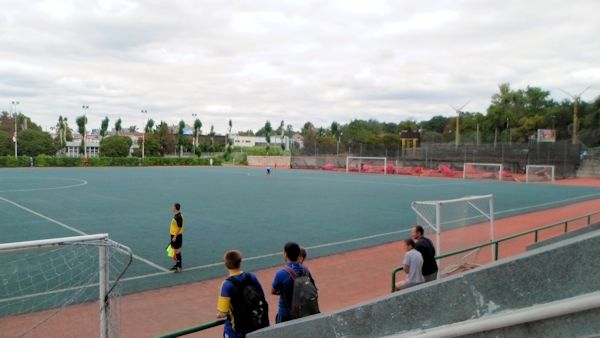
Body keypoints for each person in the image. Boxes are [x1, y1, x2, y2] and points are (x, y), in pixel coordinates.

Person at [217, 250, 268, 338]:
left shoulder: (226, 285)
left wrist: (218, 315)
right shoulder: (251, 276)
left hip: (237, 331)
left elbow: (223, 313)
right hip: (255, 324)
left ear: (226, 264)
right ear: (240, 262)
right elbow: (261, 296)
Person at [271, 242, 316, 323]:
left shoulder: (281, 273)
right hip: (303, 312)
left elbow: (273, 291)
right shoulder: (306, 270)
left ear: (285, 254)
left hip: (285, 313)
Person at [168, 202, 184, 272]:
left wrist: (175, 236)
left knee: (177, 251)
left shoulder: (178, 217)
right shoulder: (177, 215)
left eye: (172, 207)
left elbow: (179, 227)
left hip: (176, 236)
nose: (172, 208)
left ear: (175, 208)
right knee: (176, 250)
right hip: (174, 235)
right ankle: (177, 264)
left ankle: (179, 267)